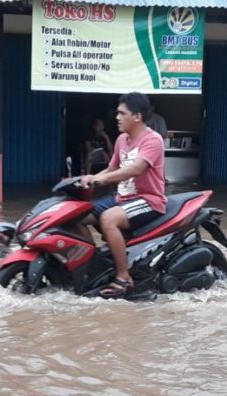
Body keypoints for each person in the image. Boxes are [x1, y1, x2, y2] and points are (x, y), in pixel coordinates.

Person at [79, 92, 166, 299]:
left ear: (137, 116)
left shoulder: (152, 140)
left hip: (148, 200)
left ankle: (123, 276)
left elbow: (136, 169)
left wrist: (102, 180)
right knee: (77, 215)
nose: (117, 117)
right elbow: (111, 168)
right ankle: (93, 265)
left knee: (108, 219)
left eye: (121, 113)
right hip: (122, 199)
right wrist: (91, 177)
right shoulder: (121, 140)